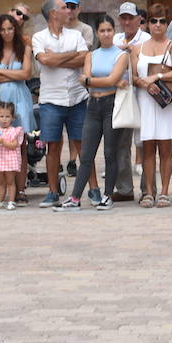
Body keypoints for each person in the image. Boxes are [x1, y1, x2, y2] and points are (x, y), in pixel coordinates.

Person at [55, 16, 130, 212]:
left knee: (110, 153)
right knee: (86, 154)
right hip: (93, 105)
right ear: (97, 33)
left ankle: (107, 196)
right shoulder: (91, 55)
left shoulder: (121, 55)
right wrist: (103, 81)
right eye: (102, 30)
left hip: (111, 104)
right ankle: (74, 198)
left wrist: (92, 81)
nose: (106, 34)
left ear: (114, 31)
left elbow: (109, 79)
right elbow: (86, 78)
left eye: (109, 30)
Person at [33, 0, 89, 208]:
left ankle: (88, 190)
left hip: (76, 97)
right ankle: (52, 191)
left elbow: (84, 58)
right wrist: (69, 56)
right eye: (64, 7)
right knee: (53, 146)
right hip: (51, 100)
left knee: (82, 145)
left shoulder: (76, 35)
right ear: (53, 13)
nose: (68, 10)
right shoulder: (38, 37)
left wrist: (57, 57)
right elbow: (44, 61)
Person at [132, 3, 172, 209]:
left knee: (165, 148)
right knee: (147, 148)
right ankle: (148, 192)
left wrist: (157, 76)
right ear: (147, 24)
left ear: (166, 23)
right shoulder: (138, 48)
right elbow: (134, 77)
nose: (157, 25)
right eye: (153, 20)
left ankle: (164, 192)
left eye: (162, 21)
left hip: (165, 102)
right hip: (145, 100)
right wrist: (145, 83)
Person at [0, 13, 35, 204]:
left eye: (10, 28)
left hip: (18, 97)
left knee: (19, 144)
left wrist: (2, 71)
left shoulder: (24, 48)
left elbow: (26, 73)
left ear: (16, 29)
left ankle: (20, 189)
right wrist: (14, 74)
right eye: (3, 29)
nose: (7, 32)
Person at [110, 1, 145, 202]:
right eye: (123, 17)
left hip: (143, 96)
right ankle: (124, 189)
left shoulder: (146, 38)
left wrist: (131, 51)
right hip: (122, 95)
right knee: (121, 144)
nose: (127, 21)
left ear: (138, 19)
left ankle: (147, 189)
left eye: (130, 17)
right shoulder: (115, 38)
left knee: (145, 143)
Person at [0, 101, 25, 211]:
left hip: (9, 160)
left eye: (7, 116)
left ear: (12, 118)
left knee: (10, 182)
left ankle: (11, 201)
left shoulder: (14, 131)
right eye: (1, 116)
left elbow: (14, 145)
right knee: (1, 183)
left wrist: (2, 141)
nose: (4, 119)